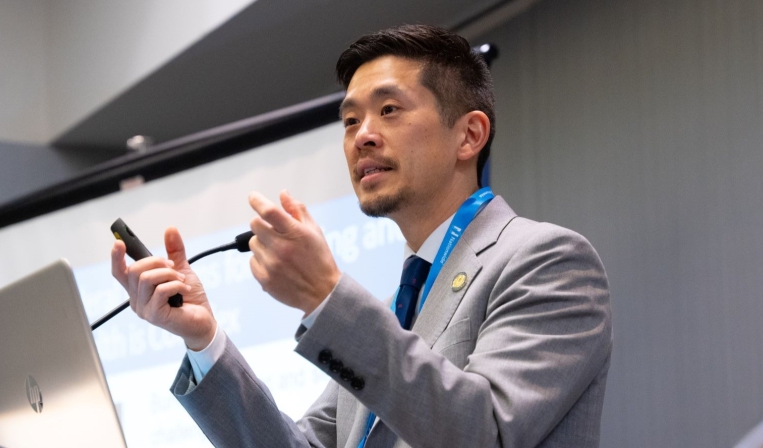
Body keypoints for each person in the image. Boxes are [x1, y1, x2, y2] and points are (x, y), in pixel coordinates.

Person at [111, 24, 612, 448]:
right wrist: (202, 339)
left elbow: (487, 433)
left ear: (469, 135)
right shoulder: (398, 305)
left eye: (389, 110)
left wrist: (326, 295)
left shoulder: (548, 261)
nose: (362, 135)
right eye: (350, 120)